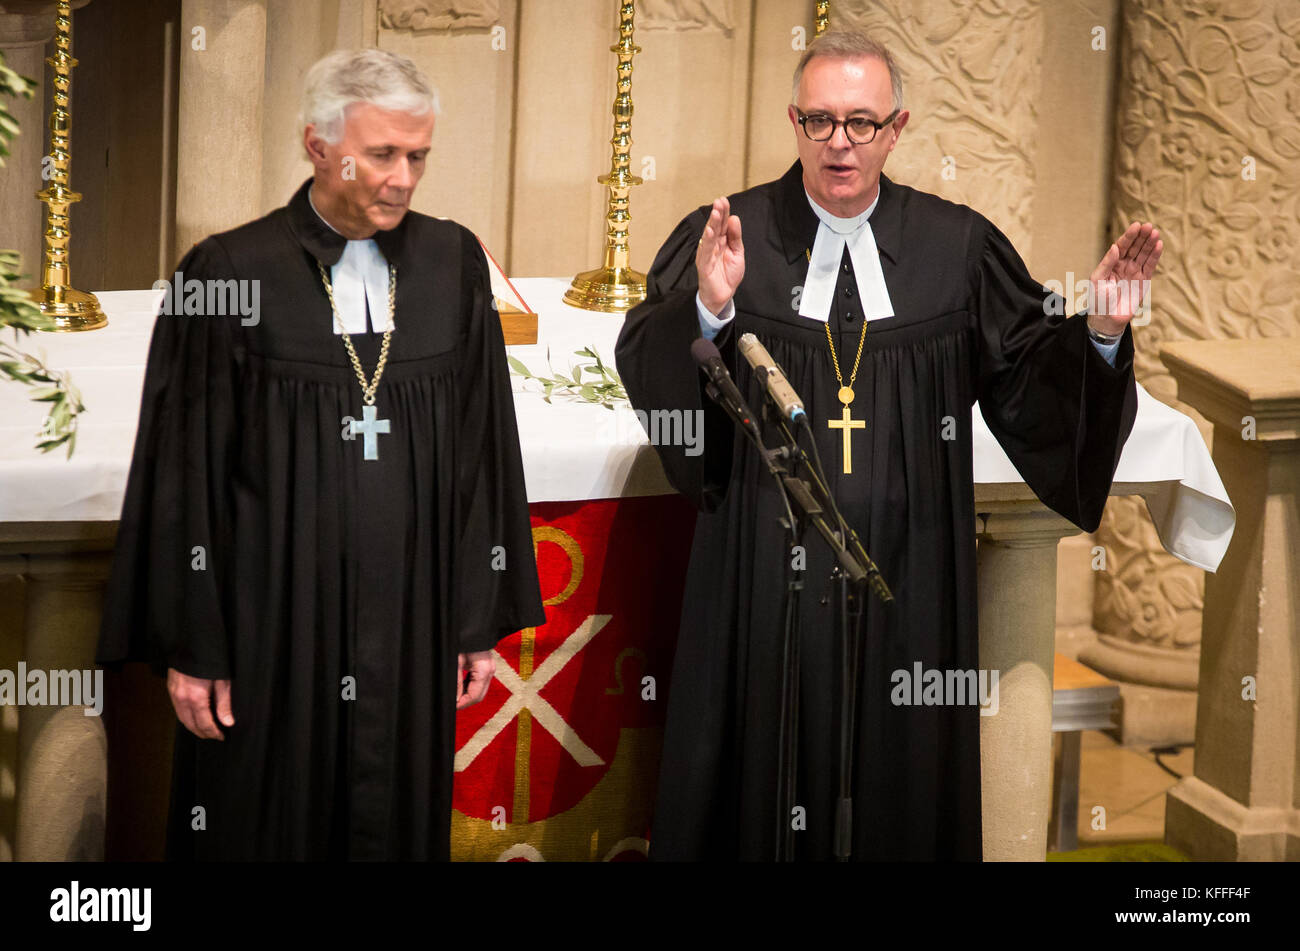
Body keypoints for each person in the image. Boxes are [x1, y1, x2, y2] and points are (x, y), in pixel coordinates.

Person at [615, 31, 1161, 860]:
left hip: (912, 579)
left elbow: (1031, 380)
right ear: (794, 123)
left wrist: (1104, 330)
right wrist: (711, 313)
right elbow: (655, 359)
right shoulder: (731, 236)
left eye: (862, 122)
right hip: (763, 580)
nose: (840, 141)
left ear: (897, 128)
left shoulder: (957, 249)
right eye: (822, 120)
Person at [97, 48, 544, 860]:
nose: (404, 179)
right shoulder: (230, 272)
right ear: (316, 146)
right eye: (381, 155)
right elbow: (185, 474)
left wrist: (472, 621)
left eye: (418, 156)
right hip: (272, 631)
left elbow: (483, 451)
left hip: (411, 628)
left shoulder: (450, 265)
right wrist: (198, 646)